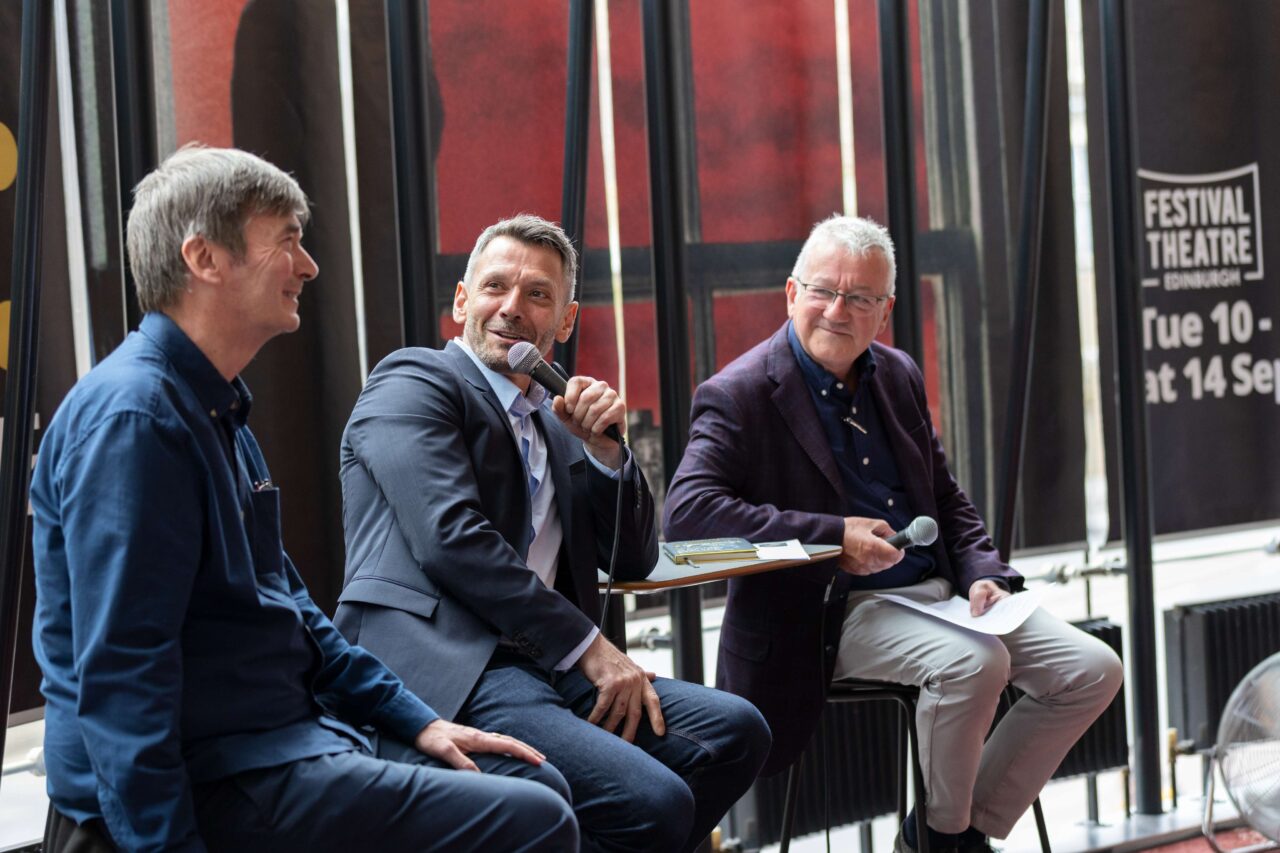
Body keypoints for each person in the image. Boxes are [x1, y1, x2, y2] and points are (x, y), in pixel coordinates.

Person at [30, 147, 577, 853]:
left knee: (537, 784)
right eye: (287, 238)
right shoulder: (136, 420)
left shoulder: (214, 408)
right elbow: (122, 677)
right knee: (535, 818)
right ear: (205, 257)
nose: (309, 264)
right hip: (221, 772)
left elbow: (292, 608)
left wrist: (415, 718)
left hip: (278, 739)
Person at [663, 215, 1124, 853]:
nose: (836, 309)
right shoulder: (738, 393)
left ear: (886, 311)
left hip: (942, 595)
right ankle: (945, 840)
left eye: (860, 298)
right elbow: (687, 513)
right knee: (977, 664)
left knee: (1094, 669)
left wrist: (983, 571)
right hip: (828, 613)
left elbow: (943, 494)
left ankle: (944, 834)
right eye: (823, 291)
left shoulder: (897, 373)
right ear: (792, 293)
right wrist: (832, 537)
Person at [335, 214, 771, 852]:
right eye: (494, 288)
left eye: (538, 294)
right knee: (657, 803)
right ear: (461, 300)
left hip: (545, 668)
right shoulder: (414, 381)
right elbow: (450, 538)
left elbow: (636, 555)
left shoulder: (554, 420)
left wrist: (607, 454)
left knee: (737, 732)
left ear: (564, 323)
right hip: (453, 666)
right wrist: (590, 647)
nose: (511, 308)